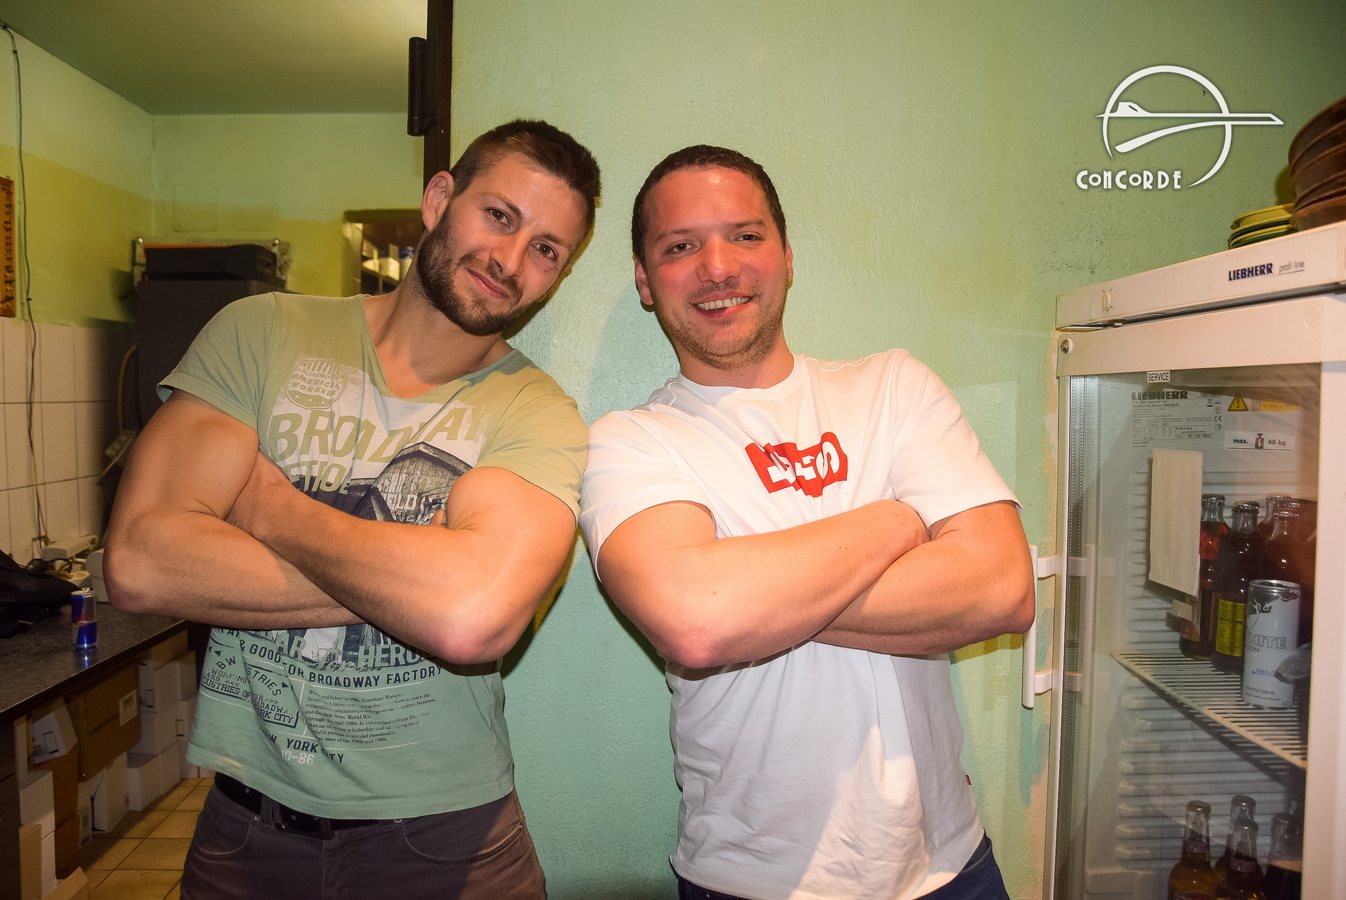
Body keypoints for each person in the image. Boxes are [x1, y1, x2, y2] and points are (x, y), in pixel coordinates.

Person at [104, 119, 601, 899]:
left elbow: (474, 616)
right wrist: (418, 579)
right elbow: (140, 562)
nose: (510, 260)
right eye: (498, 216)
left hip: (449, 844)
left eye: (546, 249)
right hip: (245, 835)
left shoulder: (539, 413)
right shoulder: (262, 334)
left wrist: (272, 510)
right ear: (439, 199)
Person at [578, 146, 1035, 900]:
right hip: (752, 880)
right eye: (680, 246)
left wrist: (753, 597)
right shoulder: (630, 441)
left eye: (745, 235)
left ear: (787, 258)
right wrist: (897, 522)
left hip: (952, 866)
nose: (718, 267)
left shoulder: (895, 388)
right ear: (644, 280)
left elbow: (1001, 589)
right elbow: (698, 621)